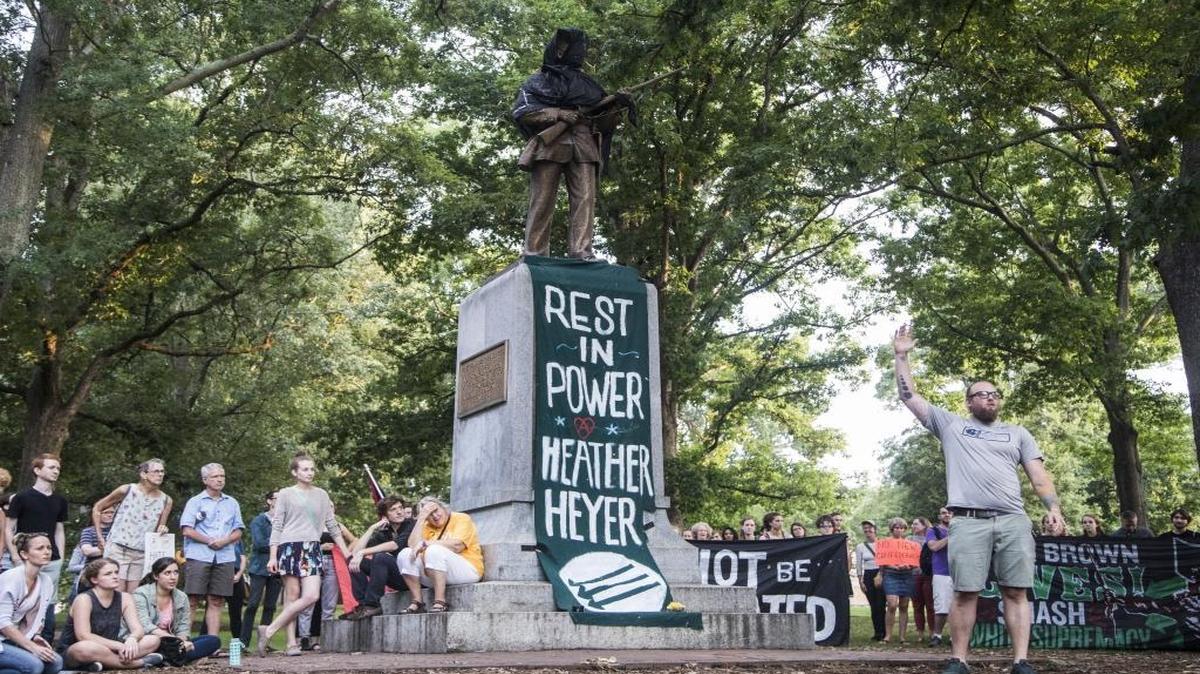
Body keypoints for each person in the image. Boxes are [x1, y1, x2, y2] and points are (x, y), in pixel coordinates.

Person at [894, 324, 1064, 674]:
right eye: (983, 394)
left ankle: (1021, 662)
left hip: (1013, 521)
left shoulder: (1018, 434)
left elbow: (1039, 477)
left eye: (995, 394)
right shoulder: (951, 425)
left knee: (1016, 592)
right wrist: (901, 356)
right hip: (968, 521)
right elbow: (909, 397)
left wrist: (1055, 509)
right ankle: (958, 660)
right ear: (969, 401)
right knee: (965, 592)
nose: (990, 398)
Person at [511, 28, 627, 260]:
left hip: (584, 144)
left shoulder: (588, 85)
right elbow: (522, 112)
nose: (579, 52)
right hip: (551, 143)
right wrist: (558, 114)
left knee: (585, 199)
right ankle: (535, 252)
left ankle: (582, 252)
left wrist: (617, 105)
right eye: (573, 48)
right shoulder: (538, 81)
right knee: (543, 199)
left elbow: (603, 123)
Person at [256, 453, 351, 657]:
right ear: (295, 472)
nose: (309, 473)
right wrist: (273, 556)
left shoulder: (322, 495)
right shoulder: (285, 494)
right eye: (305, 469)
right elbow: (278, 525)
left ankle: (269, 629)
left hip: (312, 547)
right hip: (290, 546)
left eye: (312, 469)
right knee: (292, 596)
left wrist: (345, 550)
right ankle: (291, 643)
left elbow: (332, 526)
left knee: (311, 595)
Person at [179, 462, 244, 645]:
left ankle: (211, 645)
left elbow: (239, 531)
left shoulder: (232, 503)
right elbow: (187, 530)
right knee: (192, 599)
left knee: (216, 600)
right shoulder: (195, 502)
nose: (220, 480)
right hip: (199, 555)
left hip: (225, 557)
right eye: (215, 476)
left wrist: (224, 541)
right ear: (205, 479)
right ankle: (183, 642)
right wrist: (209, 541)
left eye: (222, 476)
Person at [5, 454, 68, 643]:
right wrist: (15, 556)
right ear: (37, 470)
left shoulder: (60, 501)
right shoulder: (22, 497)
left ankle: (46, 642)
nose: (56, 471)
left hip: (52, 559)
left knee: (49, 601)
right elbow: (9, 528)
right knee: (20, 600)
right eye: (51, 467)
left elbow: (59, 530)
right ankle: (17, 642)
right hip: (25, 557)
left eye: (57, 468)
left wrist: (60, 556)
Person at [58, 558, 162, 670]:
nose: (115, 576)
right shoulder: (84, 599)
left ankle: (101, 663)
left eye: (116, 572)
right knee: (84, 648)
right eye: (108, 574)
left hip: (110, 648)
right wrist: (119, 646)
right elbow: (83, 636)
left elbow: (137, 629)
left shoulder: (125, 598)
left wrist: (132, 639)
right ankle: (139, 663)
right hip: (79, 650)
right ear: (94, 579)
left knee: (153, 640)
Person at [92, 459, 174, 593]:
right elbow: (98, 508)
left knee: (134, 596)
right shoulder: (127, 490)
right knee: (116, 591)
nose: (160, 474)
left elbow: (160, 528)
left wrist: (163, 529)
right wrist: (100, 537)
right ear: (144, 474)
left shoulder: (166, 500)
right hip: (118, 547)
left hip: (141, 552)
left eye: (162, 471)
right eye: (156, 471)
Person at [397, 496, 483, 614]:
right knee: (404, 554)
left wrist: (426, 543)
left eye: (436, 511)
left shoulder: (461, 518)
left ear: (443, 507)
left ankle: (440, 601)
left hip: (467, 570)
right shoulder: (426, 526)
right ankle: (418, 602)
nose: (435, 516)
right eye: (429, 515)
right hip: (436, 572)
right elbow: (412, 546)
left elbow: (458, 545)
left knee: (434, 550)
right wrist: (421, 519)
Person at [132, 557, 220, 663]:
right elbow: (145, 626)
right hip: (147, 641)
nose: (173, 577)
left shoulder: (181, 597)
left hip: (172, 644)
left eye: (176, 572)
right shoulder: (141, 594)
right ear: (156, 576)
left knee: (213, 641)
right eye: (167, 573)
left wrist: (181, 642)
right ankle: (175, 658)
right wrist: (177, 641)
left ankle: (165, 658)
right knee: (155, 642)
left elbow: (183, 628)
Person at [343, 497, 414, 621]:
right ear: (384, 516)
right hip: (396, 577)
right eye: (393, 509)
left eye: (401, 508)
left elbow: (395, 545)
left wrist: (363, 552)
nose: (399, 512)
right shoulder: (384, 532)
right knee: (352, 561)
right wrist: (372, 528)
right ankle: (363, 604)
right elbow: (355, 553)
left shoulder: (411, 524)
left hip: (412, 577)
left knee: (381, 557)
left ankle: (372, 605)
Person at [0, 533, 62, 674]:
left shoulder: (45, 581)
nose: (46, 552)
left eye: (49, 548)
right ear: (24, 554)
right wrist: (31, 647)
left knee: (55, 663)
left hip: (11, 639)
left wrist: (34, 637)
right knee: (34, 666)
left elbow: (33, 619)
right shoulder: (11, 578)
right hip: (3, 638)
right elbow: (2, 622)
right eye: (40, 548)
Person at [240, 491, 281, 651]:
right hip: (259, 568)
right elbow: (259, 543)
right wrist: (279, 544)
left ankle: (265, 642)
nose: (280, 501)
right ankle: (244, 642)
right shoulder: (259, 520)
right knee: (252, 605)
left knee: (271, 606)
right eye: (277, 498)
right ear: (269, 501)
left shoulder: (285, 521)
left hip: (277, 569)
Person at [67, 505, 115, 604]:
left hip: (113, 572)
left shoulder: (117, 531)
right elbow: (87, 551)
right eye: (107, 512)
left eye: (112, 512)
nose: (110, 515)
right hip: (91, 574)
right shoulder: (88, 531)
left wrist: (100, 550)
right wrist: (113, 550)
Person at [880, 517, 915, 644]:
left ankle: (902, 637)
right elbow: (881, 560)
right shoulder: (885, 543)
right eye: (896, 527)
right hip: (891, 574)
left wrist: (908, 565)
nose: (899, 530)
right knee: (892, 605)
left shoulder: (910, 545)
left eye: (901, 528)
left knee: (904, 606)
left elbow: (915, 561)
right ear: (892, 529)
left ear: (904, 529)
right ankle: (888, 635)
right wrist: (891, 565)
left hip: (906, 575)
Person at [854, 520, 886, 642]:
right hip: (868, 574)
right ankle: (877, 631)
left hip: (881, 573)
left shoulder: (883, 544)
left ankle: (884, 631)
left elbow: (885, 560)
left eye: (870, 528)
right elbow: (859, 564)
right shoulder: (860, 547)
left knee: (881, 604)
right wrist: (860, 580)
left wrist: (881, 574)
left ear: (875, 529)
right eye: (865, 528)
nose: (868, 530)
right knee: (873, 605)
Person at [926, 507, 952, 646]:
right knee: (941, 606)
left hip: (960, 572)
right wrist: (951, 536)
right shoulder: (933, 531)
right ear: (939, 516)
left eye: (949, 512)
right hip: (941, 572)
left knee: (958, 606)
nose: (947, 515)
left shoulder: (963, 530)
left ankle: (955, 637)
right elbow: (934, 547)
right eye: (943, 512)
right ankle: (937, 635)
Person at [909, 517, 934, 644]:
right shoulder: (908, 540)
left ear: (924, 525)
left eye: (916, 524)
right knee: (917, 605)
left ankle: (932, 632)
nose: (913, 526)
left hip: (929, 574)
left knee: (930, 604)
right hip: (913, 575)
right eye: (913, 524)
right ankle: (920, 633)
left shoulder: (931, 538)